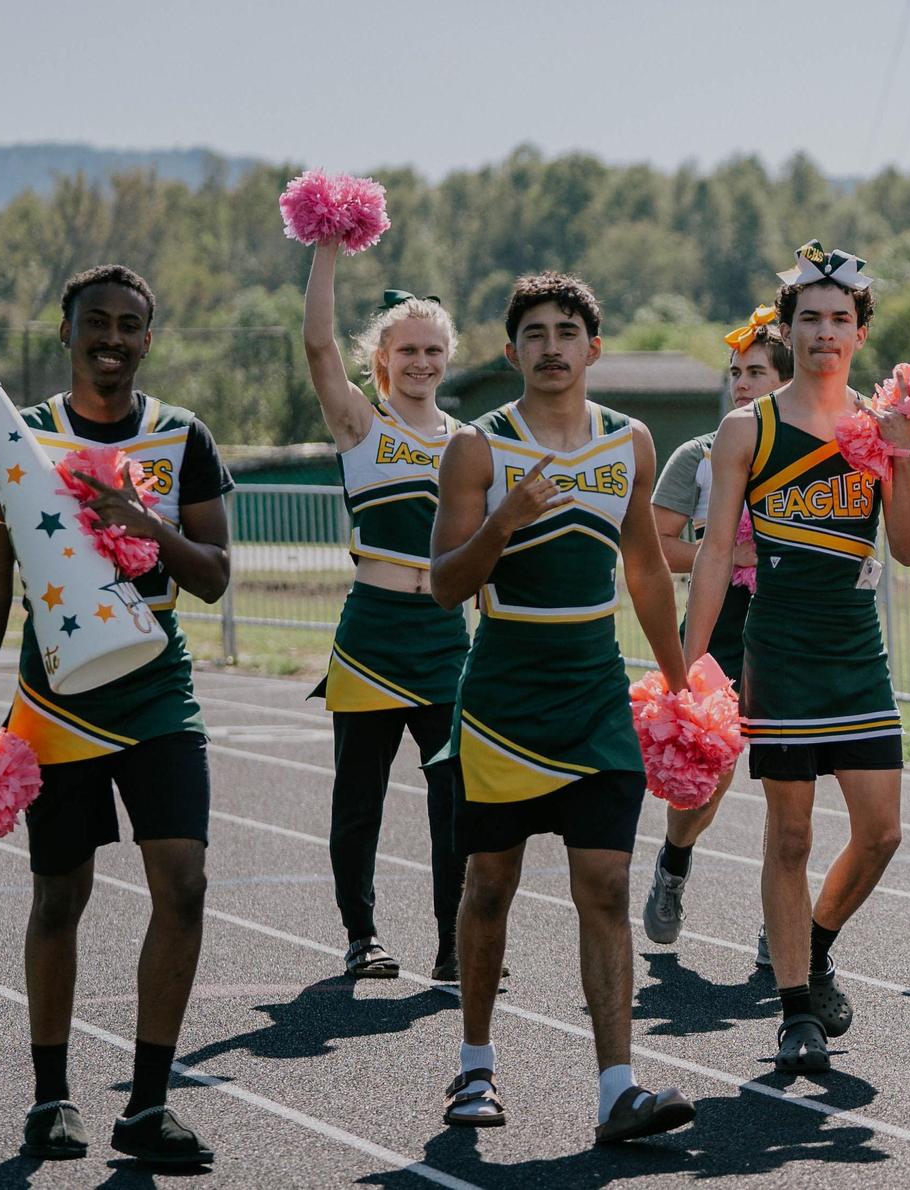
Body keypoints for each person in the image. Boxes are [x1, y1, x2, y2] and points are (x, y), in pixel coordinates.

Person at [0, 265, 232, 1165]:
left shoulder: (182, 435)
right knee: (60, 897)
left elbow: (216, 574)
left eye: (129, 325)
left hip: (159, 686)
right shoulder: (22, 437)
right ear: (67, 330)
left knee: (184, 886)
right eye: (96, 323)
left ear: (148, 339)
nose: (112, 338)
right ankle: (50, 1098)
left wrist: (149, 529)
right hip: (57, 697)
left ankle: (147, 1107)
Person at [428, 272, 694, 1143]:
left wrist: (680, 676)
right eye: (533, 333)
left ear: (593, 348)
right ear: (511, 353)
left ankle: (617, 1089)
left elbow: (648, 571)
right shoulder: (478, 447)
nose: (550, 346)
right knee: (491, 885)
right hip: (504, 699)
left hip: (594, 696)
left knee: (608, 886)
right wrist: (502, 520)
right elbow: (443, 586)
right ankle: (474, 1068)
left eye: (566, 331)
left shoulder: (631, 442)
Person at [683, 241, 910, 1073]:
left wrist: (905, 454)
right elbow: (717, 552)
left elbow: (907, 549)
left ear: (860, 331)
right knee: (788, 837)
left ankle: (816, 946)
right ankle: (795, 1012)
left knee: (884, 832)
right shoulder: (746, 427)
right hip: (780, 648)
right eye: (810, 318)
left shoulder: (877, 426)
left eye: (840, 319)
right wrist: (692, 668)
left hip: (856, 648)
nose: (825, 332)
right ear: (788, 328)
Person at [302, 241, 471, 982]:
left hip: (444, 636)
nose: (422, 363)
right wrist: (328, 253)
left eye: (434, 350)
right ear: (383, 357)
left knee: (457, 801)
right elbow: (315, 344)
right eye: (408, 350)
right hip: (372, 632)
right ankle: (361, 933)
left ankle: (453, 944)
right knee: (359, 798)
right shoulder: (360, 427)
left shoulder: (472, 443)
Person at [642, 306, 793, 955]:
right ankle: (674, 861)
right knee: (712, 774)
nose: (739, 383)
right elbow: (651, 546)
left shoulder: (815, 454)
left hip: (792, 630)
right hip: (721, 627)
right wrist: (727, 554)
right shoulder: (697, 456)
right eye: (735, 372)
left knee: (793, 788)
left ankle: (778, 922)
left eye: (754, 372)